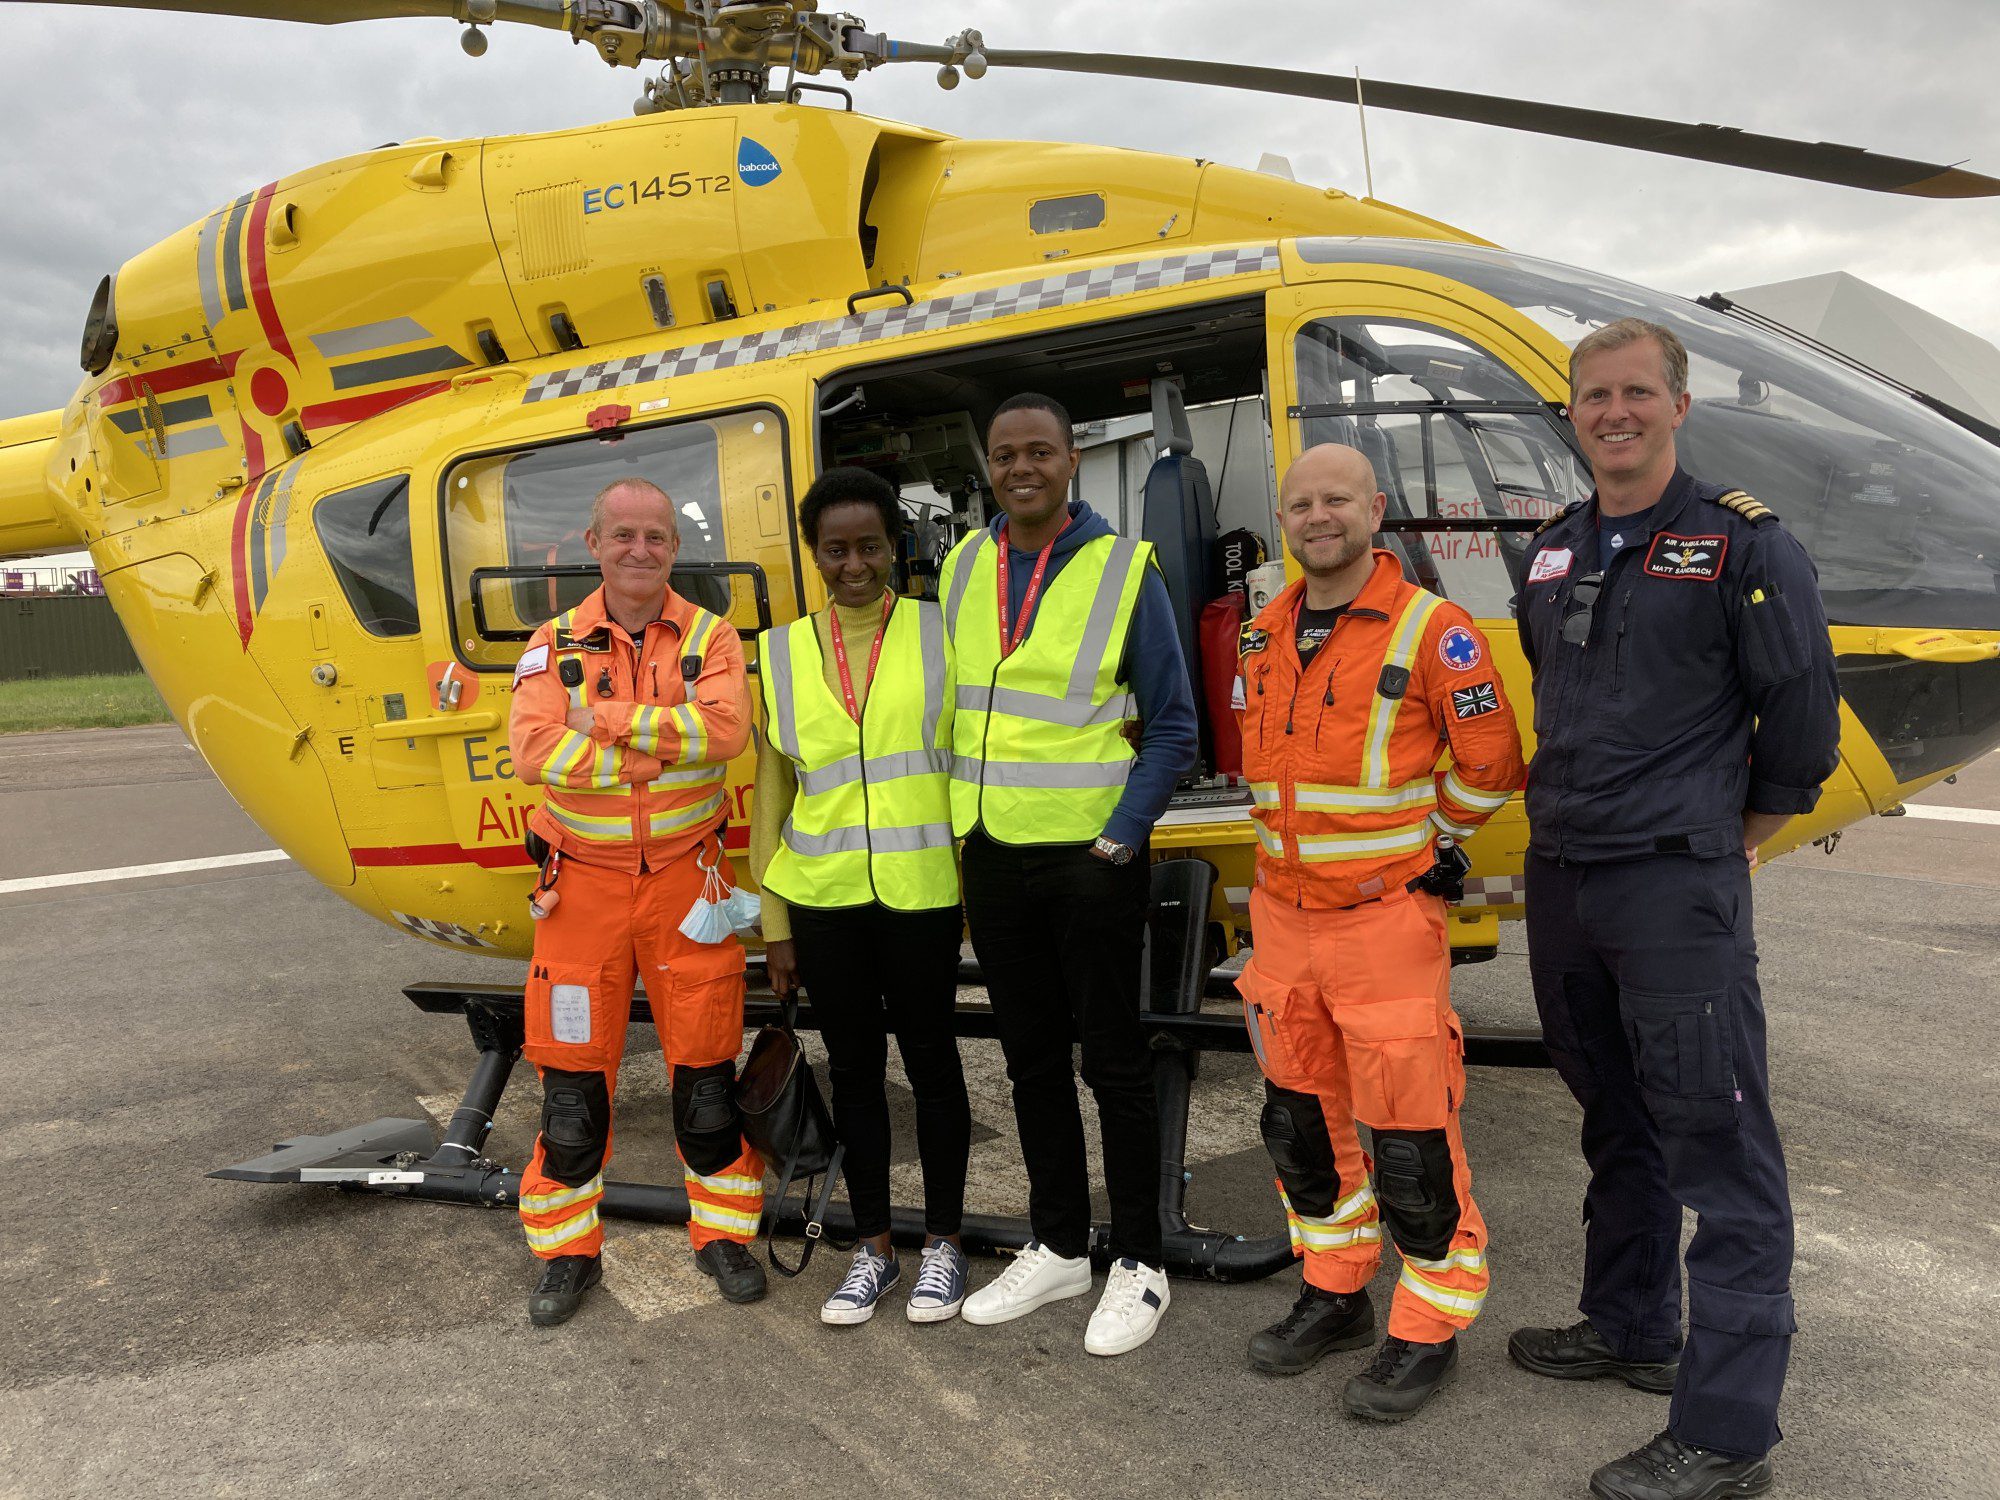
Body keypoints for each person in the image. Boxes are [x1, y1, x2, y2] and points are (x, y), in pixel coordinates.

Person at [1510, 318, 1841, 1499]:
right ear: (1571, 412)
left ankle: (1727, 1435)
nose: (1614, 413)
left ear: (1677, 405)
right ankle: (1628, 1324)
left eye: (1636, 393)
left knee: (1719, 1143)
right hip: (1565, 876)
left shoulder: (1744, 544)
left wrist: (1735, 832)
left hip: (1670, 880)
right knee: (1614, 1114)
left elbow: (1798, 718)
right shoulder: (1550, 551)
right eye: (1593, 395)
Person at [1232, 442, 1525, 1420]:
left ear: (1375, 510)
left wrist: (1431, 842)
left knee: (1410, 1144)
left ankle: (1428, 1326)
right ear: (1283, 518)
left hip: (1382, 921)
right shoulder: (1262, 631)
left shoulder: (1432, 630)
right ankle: (1335, 1291)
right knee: (1300, 1130)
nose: (1318, 516)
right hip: (1282, 918)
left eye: (1337, 500)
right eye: (1300, 503)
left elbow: (1490, 763)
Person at [942, 391, 1199, 1356]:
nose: (1022, 468)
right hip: (992, 855)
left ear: (1072, 459)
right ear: (990, 466)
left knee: (1114, 1064)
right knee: (1031, 1063)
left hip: (1090, 859)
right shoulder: (963, 565)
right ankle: (1057, 1245)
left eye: (1039, 452)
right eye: (1005, 454)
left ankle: (1138, 1259)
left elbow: (1174, 727)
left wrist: (1121, 838)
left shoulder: (1125, 569)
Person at [507, 476, 767, 1325]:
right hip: (580, 887)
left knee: (707, 1086)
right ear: (594, 544)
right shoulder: (551, 643)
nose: (639, 549)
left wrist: (605, 722)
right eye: (622, 534)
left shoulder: (712, 635)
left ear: (674, 547)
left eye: (655, 535)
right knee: (571, 1099)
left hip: (690, 883)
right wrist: (662, 742)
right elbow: (534, 752)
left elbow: (725, 733)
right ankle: (566, 1254)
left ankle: (723, 1236)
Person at [749, 466, 974, 1327]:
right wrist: (776, 925)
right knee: (854, 1076)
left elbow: (966, 763)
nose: (854, 566)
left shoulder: (940, 632)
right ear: (814, 554)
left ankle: (944, 1245)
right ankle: (873, 1248)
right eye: (836, 550)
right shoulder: (778, 653)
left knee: (934, 1066)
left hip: (921, 893)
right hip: (825, 900)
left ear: (895, 547)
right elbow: (772, 798)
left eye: (870, 547)